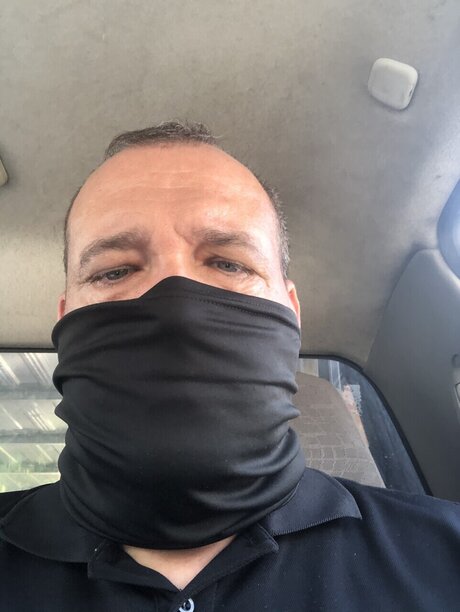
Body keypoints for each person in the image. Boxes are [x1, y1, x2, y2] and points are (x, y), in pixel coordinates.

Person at [0, 121, 459, 612]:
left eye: (228, 263)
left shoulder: (445, 558)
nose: (178, 309)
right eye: (115, 271)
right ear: (65, 318)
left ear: (291, 312)